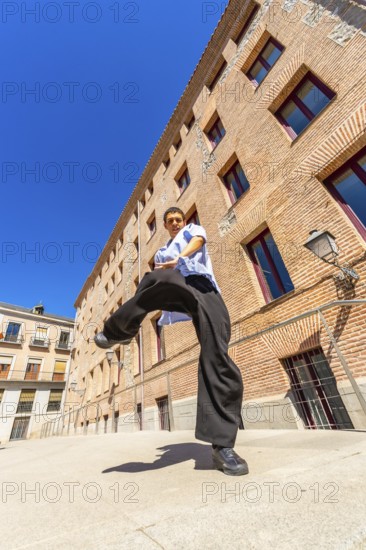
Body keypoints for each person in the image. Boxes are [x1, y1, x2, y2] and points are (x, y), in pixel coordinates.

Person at [94, 207, 248, 475]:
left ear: (184, 221)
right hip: (179, 287)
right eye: (170, 221)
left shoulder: (192, 231)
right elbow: (158, 274)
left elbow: (199, 242)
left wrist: (180, 258)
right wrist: (172, 263)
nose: (175, 223)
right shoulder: (163, 251)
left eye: (178, 219)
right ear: (165, 226)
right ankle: (119, 330)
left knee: (217, 358)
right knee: (155, 278)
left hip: (205, 290)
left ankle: (222, 447)